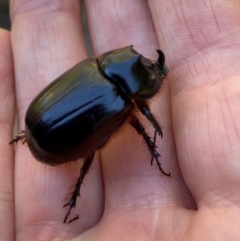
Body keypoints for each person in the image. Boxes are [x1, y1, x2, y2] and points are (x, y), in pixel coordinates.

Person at [1, 0, 240, 240]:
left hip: (40, 120)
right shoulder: (120, 104)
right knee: (91, 155)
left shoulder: (91, 68)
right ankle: (71, 196)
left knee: (92, 153)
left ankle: (35, 150)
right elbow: (144, 123)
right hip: (48, 137)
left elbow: (144, 119)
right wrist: (155, 139)